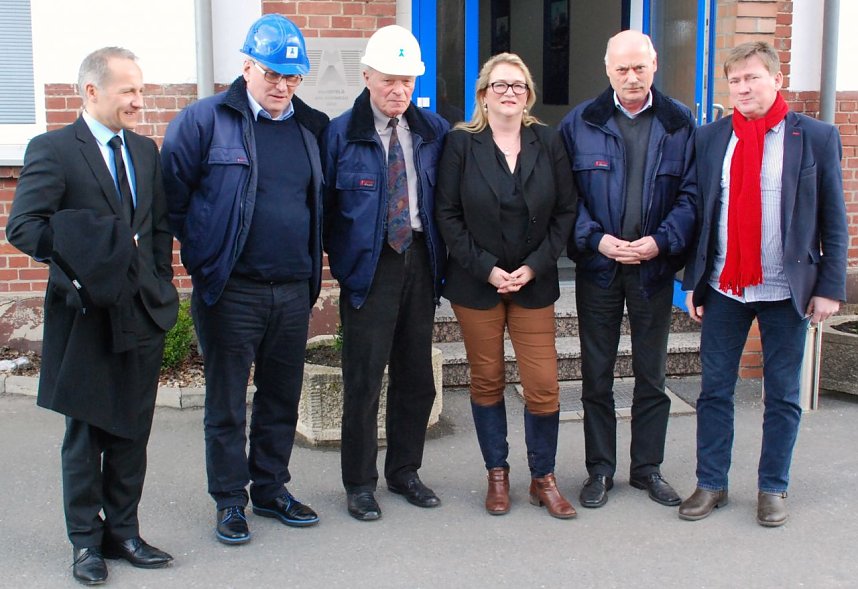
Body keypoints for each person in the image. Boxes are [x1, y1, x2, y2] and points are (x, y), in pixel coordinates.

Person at [6, 47, 179, 585]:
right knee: (86, 433)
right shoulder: (53, 150)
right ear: (91, 92)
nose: (138, 101)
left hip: (142, 312)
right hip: (85, 314)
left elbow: (155, 229)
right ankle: (86, 543)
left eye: (141, 89)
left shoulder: (146, 152)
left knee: (132, 430)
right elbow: (24, 227)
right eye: (128, 90)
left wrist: (160, 284)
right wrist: (95, 245)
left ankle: (124, 531)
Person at [160, 14, 329, 544]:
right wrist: (205, 259)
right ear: (247, 66)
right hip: (232, 289)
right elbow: (172, 202)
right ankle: (230, 500)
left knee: (282, 396)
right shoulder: (204, 120)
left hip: (292, 287)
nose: (282, 87)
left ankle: (271, 488)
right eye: (273, 74)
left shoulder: (312, 126)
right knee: (228, 402)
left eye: (293, 77)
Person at [679, 42, 848, 527]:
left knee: (782, 394)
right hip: (725, 288)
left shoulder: (813, 136)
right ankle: (711, 482)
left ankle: (773, 487)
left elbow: (834, 220)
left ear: (776, 78)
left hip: (787, 290)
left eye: (752, 77)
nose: (743, 88)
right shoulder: (711, 138)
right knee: (714, 391)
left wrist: (830, 287)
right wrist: (694, 282)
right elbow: (703, 217)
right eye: (734, 81)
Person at [435, 53, 578, 518]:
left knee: (543, 384)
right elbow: (447, 216)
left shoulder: (548, 141)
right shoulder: (460, 145)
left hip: (533, 284)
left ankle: (544, 478)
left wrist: (535, 266)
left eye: (518, 86)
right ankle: (497, 474)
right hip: (478, 285)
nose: (510, 93)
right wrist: (487, 268)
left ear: (528, 94)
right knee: (487, 378)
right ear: (483, 95)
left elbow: (565, 213)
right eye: (500, 85)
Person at [559, 30, 697, 509]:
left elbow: (691, 197)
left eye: (640, 67)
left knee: (651, 374)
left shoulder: (681, 123)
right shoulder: (580, 123)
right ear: (607, 69)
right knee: (596, 375)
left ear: (654, 65)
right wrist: (596, 238)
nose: (632, 77)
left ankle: (647, 468)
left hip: (653, 271)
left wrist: (659, 243)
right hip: (599, 268)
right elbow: (565, 198)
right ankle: (599, 469)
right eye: (622, 69)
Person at [321, 25, 450, 521]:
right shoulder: (339, 133)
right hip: (369, 265)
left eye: (407, 81)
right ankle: (358, 483)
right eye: (389, 80)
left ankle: (405, 472)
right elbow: (325, 212)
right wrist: (345, 262)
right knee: (364, 378)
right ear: (367, 76)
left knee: (417, 376)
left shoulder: (432, 131)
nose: (398, 91)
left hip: (419, 258)